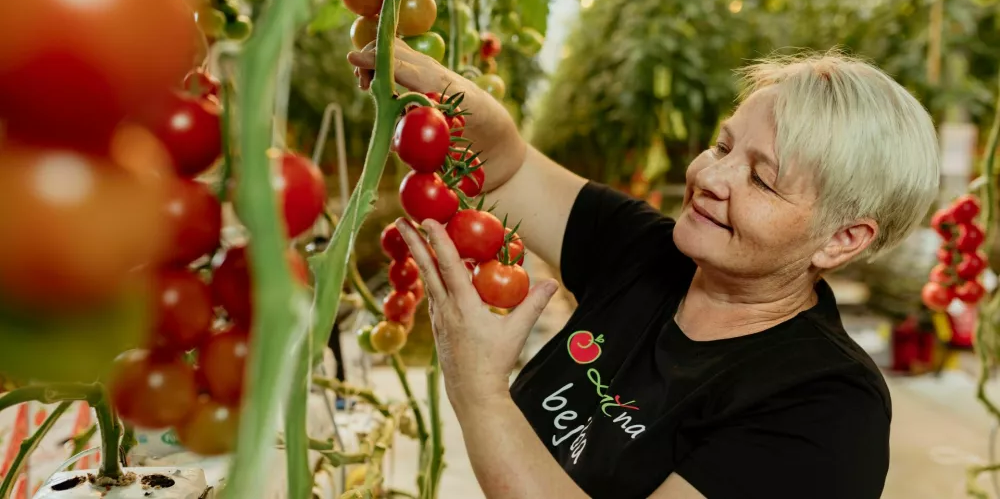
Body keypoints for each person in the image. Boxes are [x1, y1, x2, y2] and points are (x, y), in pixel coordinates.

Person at [349, 41, 940, 498]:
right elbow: (506, 172)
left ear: (842, 240)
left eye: (762, 178)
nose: (709, 177)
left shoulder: (827, 410)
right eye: (723, 145)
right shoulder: (649, 252)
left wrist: (478, 390)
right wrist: (481, 121)